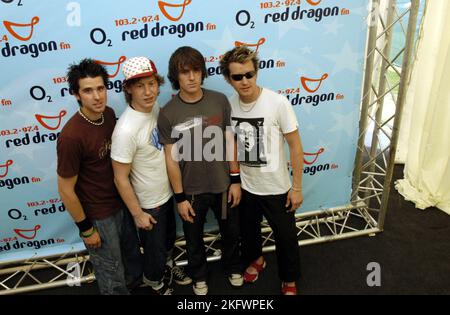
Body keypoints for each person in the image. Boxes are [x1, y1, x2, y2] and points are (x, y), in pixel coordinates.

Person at [157, 46, 243, 295]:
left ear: (203, 72)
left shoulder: (219, 100)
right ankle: (199, 276)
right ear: (176, 77)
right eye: (185, 72)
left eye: (196, 70)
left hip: (224, 184)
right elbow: (171, 159)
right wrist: (180, 197)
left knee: (231, 232)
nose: (192, 77)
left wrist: (235, 179)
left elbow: (230, 141)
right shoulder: (168, 113)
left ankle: (233, 267)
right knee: (194, 241)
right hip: (191, 191)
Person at [220, 46, 304, 295]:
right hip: (246, 186)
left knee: (286, 237)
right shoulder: (229, 106)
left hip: (276, 187)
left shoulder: (278, 102)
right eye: (237, 77)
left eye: (249, 74)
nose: (245, 81)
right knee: (248, 232)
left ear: (256, 73)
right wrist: (235, 180)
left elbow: (296, 147)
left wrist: (297, 187)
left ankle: (289, 278)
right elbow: (231, 145)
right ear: (228, 79)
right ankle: (256, 260)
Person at [111, 56, 191, 295]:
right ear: (128, 89)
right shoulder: (125, 130)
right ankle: (154, 281)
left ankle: (166, 266)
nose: (148, 92)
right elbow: (120, 178)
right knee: (154, 252)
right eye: (139, 86)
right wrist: (138, 214)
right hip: (149, 205)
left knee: (167, 244)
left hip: (167, 194)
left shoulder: (154, 108)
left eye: (152, 84)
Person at [57, 59, 129, 294]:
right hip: (98, 215)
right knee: (111, 274)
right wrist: (86, 229)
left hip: (121, 204)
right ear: (76, 95)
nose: (97, 96)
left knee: (126, 266)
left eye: (100, 88)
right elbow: (66, 190)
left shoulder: (108, 114)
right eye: (88, 91)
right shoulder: (71, 137)